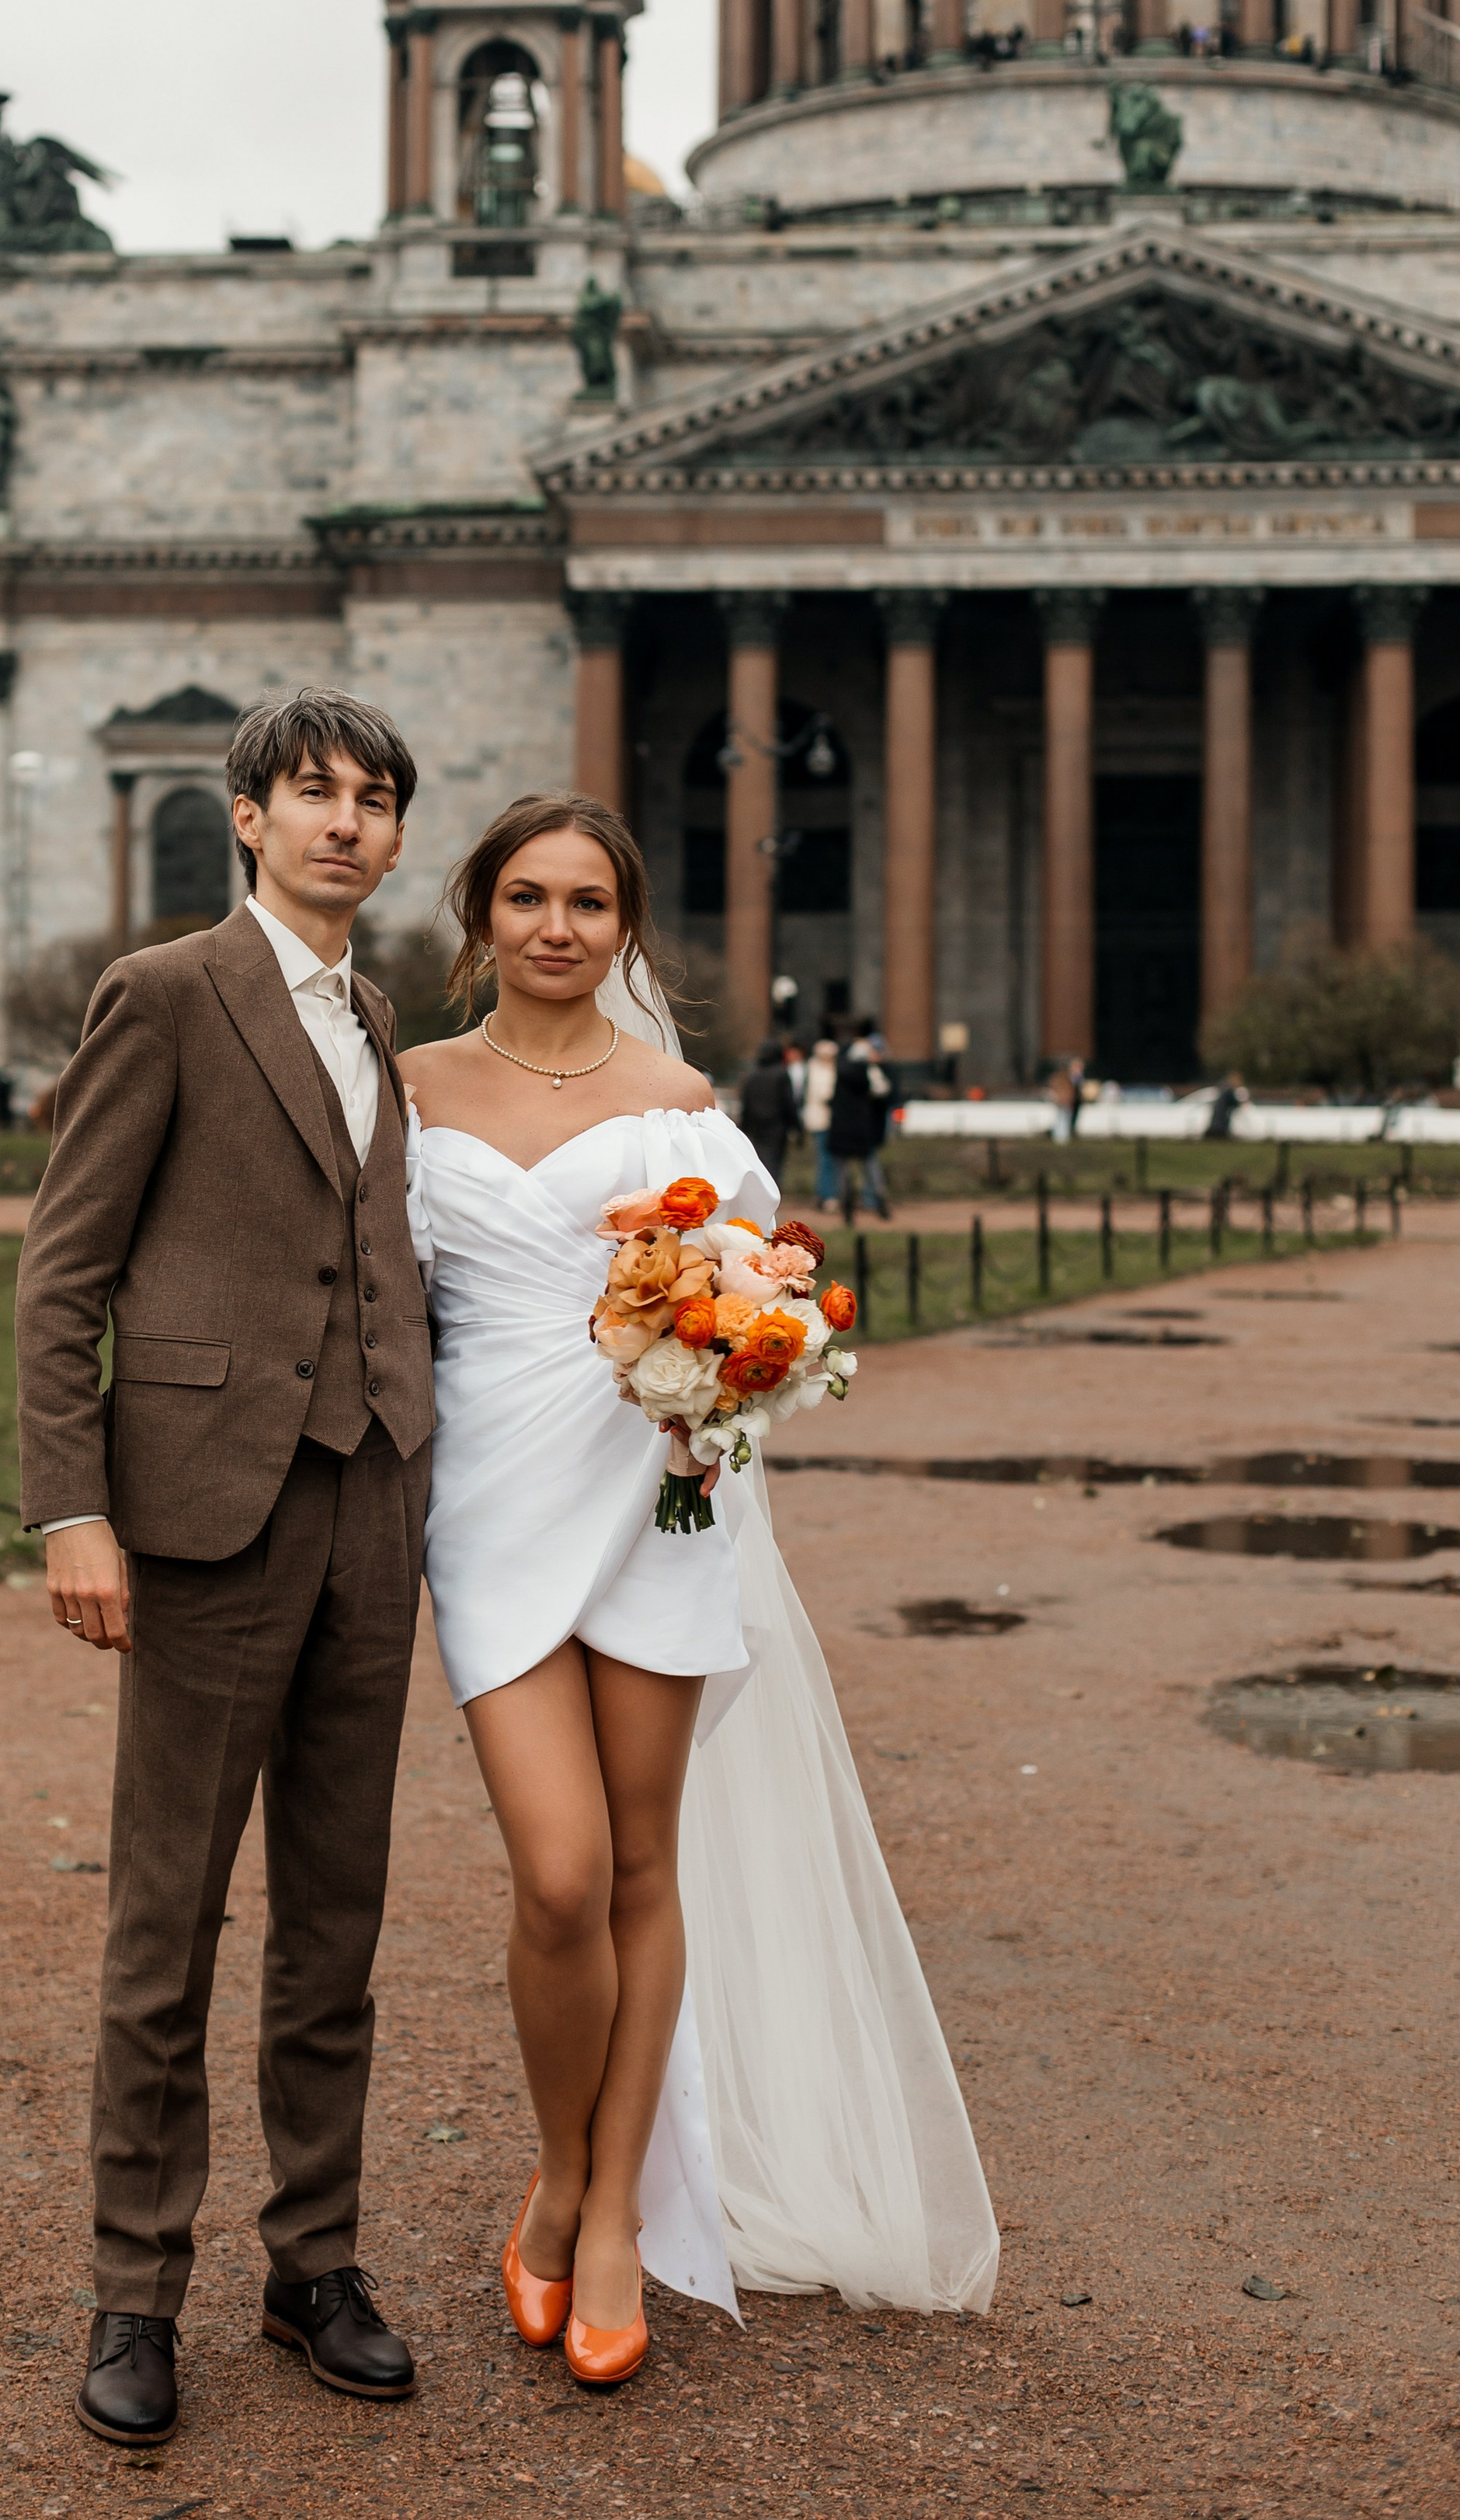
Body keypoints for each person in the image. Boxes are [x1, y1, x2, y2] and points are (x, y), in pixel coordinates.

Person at [399, 795, 997, 2389]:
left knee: (642, 1864)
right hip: (491, 1507)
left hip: (658, 1497)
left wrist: (734, 1365)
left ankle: (609, 2219)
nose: (556, 927)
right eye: (527, 897)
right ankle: (564, 2165)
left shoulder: (677, 1107)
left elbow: (762, 1302)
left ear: (626, 927)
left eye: (588, 902)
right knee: (559, 1878)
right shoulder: (410, 1089)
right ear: (481, 916)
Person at [14, 690, 435, 2449]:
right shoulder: (165, 993)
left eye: (374, 799)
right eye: (313, 793)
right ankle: (135, 2290)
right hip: (201, 1512)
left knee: (336, 1920)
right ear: (247, 818)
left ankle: (312, 2262)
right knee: (166, 1922)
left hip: (368, 1506)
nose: (346, 821)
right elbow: (64, 1272)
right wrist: (71, 1507)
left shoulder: (382, 1015)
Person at [827, 1025, 892, 1223]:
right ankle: (881, 1206)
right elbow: (882, 1090)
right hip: (862, 1129)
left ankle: (847, 1210)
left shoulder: (840, 1070)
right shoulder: (867, 1072)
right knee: (871, 1169)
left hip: (841, 1129)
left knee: (843, 1173)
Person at [736, 1037, 796, 1196]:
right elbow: (788, 1102)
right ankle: (772, 1194)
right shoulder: (781, 1074)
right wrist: (795, 1126)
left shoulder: (753, 1074)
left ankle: (758, 1193)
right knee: (774, 1162)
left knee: (758, 1161)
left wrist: (744, 1127)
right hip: (776, 1126)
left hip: (754, 1126)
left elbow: (746, 1101)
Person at [800, 1033, 840, 1206]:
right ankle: (827, 1195)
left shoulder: (816, 1068)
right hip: (822, 1120)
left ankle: (827, 1194)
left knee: (828, 1159)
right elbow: (825, 1094)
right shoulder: (817, 1069)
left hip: (829, 1120)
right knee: (826, 1159)